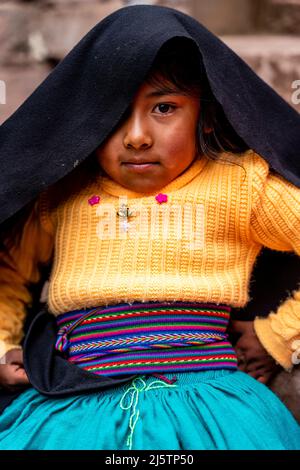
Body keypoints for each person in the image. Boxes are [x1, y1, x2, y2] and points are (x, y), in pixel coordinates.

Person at [0, 4, 299, 450]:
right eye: (114, 113)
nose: (137, 135)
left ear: (208, 114)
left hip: (212, 409)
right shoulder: (60, 195)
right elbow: (6, 274)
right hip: (74, 408)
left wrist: (278, 334)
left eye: (164, 107)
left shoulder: (241, 186)